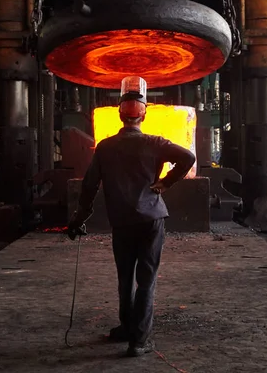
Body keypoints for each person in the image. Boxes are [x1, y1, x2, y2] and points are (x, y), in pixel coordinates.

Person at [68, 76, 196, 357]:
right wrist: (166, 182)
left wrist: (80, 219)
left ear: (119, 114)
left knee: (125, 278)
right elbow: (188, 157)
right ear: (144, 114)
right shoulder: (155, 142)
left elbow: (89, 186)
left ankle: (127, 327)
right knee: (146, 280)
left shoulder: (105, 147)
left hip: (122, 220)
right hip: (152, 220)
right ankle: (139, 341)